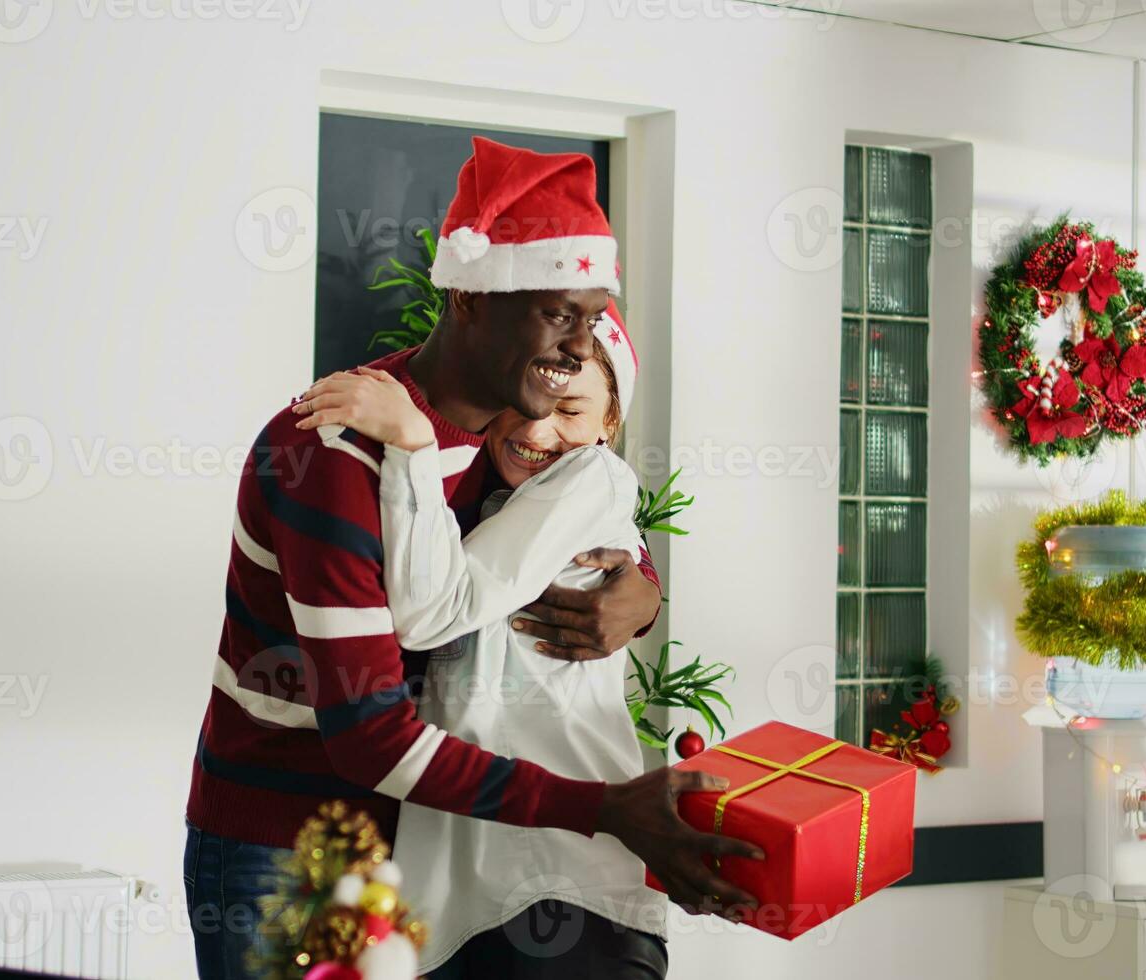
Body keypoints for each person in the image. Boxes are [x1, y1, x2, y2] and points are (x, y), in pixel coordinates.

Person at [182, 137, 760, 979]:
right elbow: (372, 738)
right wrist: (603, 809)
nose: (576, 346)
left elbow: (568, 523)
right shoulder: (335, 451)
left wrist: (640, 589)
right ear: (466, 299)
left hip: (424, 845)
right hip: (289, 842)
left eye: (592, 317)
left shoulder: (512, 444)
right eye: (557, 313)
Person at [293, 297, 667, 976]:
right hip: (467, 884)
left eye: (571, 409)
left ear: (611, 421)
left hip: (563, 876)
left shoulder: (592, 477)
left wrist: (410, 443)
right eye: (529, 400)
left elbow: (433, 612)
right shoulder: (485, 494)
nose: (537, 429)